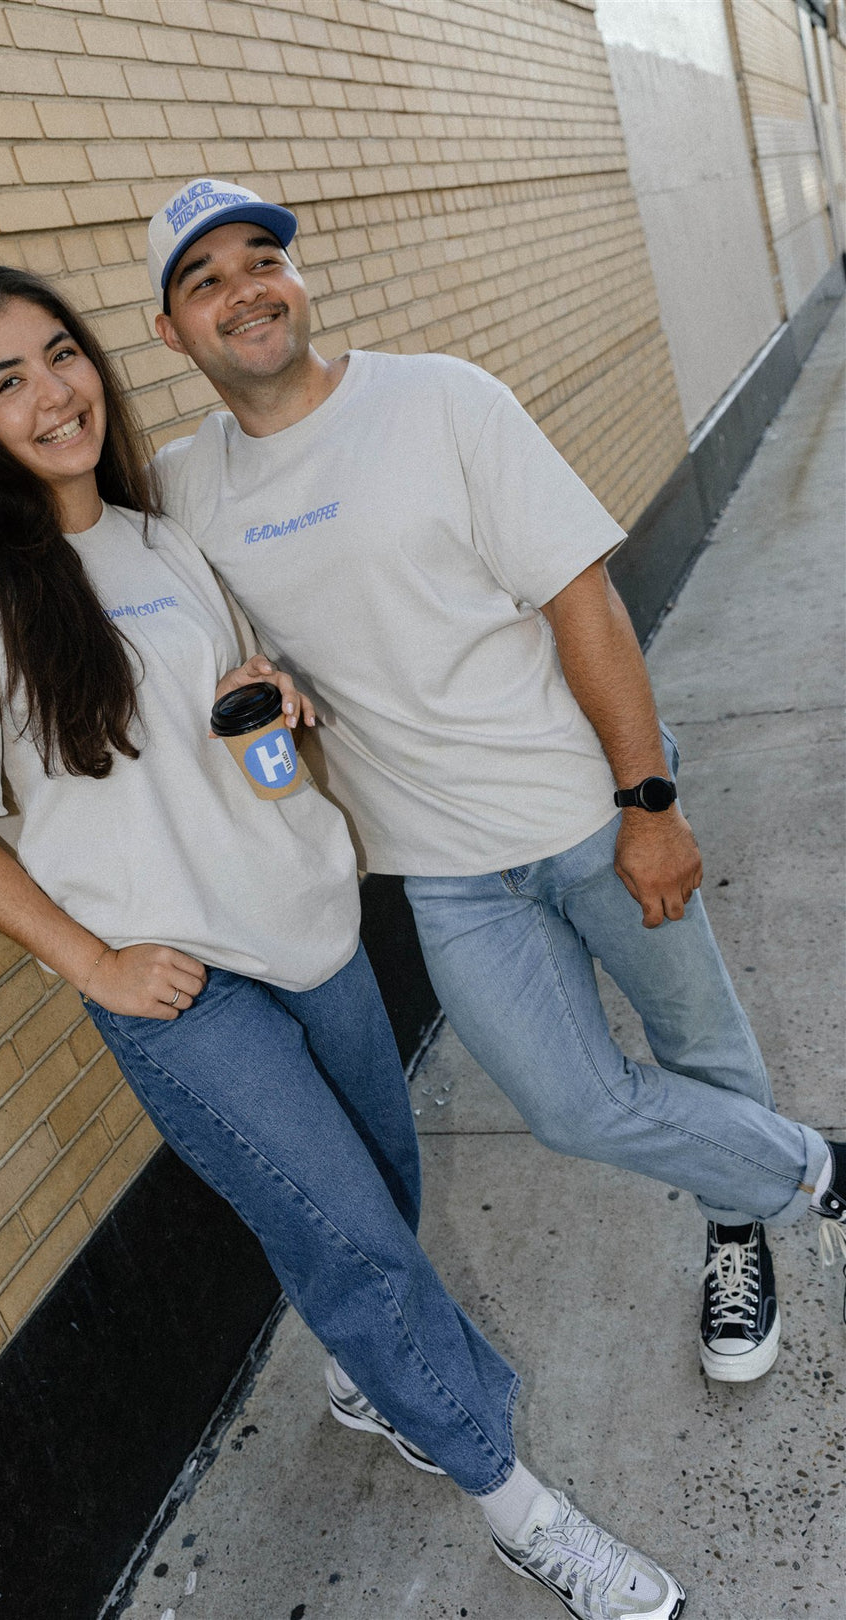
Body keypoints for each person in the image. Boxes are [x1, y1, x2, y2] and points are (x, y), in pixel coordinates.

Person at [0, 267, 688, 1620]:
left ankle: (369, 1373)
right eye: (4, 379)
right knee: (359, 1240)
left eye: (60, 356)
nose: (51, 391)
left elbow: (244, 732)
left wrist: (272, 708)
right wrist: (95, 964)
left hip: (311, 931)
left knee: (374, 1188)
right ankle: (511, 1495)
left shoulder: (160, 538)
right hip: (181, 990)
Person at [139, 178, 846, 1383]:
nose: (243, 292)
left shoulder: (440, 400)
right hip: (446, 871)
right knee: (570, 1104)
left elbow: (583, 597)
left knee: (698, 1045)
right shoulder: (181, 485)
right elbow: (54, 521)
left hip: (586, 809)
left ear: (297, 281)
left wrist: (649, 801)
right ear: (171, 332)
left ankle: (740, 1222)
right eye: (204, 281)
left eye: (263, 260)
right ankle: (813, 1173)